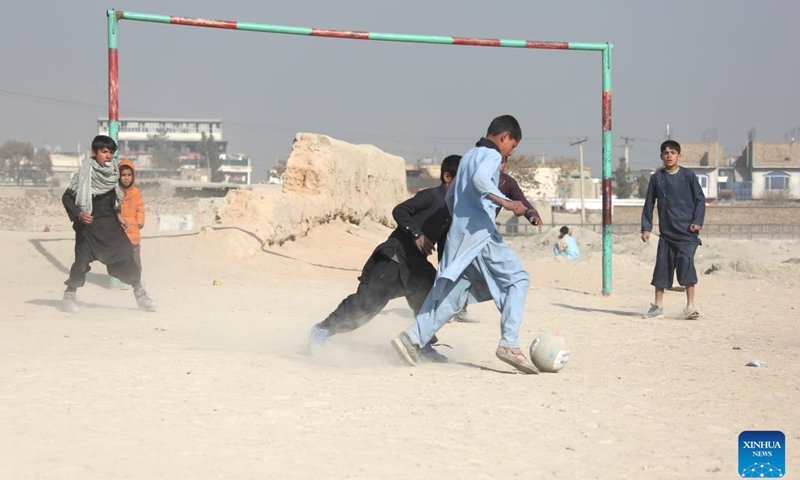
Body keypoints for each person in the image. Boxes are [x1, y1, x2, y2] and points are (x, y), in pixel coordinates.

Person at [391, 115, 539, 374]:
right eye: (512, 146)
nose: (510, 152)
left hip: (461, 236)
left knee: (455, 296)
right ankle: (510, 344)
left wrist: (459, 222)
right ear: (505, 137)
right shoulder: (492, 157)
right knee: (518, 279)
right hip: (481, 235)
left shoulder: (470, 155)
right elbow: (482, 182)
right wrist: (505, 203)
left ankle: (411, 338)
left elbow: (451, 197)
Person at [307, 155, 463, 362]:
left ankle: (420, 343)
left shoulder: (452, 209)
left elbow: (443, 242)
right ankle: (322, 330)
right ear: (447, 177)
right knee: (366, 305)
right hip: (395, 256)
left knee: (429, 298)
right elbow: (400, 211)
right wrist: (416, 233)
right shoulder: (430, 196)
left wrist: (446, 269)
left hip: (416, 265)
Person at [61, 135, 157, 313]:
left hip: (111, 227)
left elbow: (113, 201)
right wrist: (79, 213)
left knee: (126, 258)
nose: (108, 156)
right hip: (88, 228)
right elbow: (67, 197)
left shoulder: (113, 174)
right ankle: (69, 296)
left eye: (111, 152)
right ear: (94, 152)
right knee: (81, 264)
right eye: (104, 152)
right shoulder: (84, 175)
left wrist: (118, 215)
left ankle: (141, 295)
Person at [452, 154, 543, 323]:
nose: (497, 165)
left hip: (485, 235)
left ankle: (457, 306)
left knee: (487, 276)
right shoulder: (476, 178)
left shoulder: (506, 182)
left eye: (501, 162)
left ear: (505, 164)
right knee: (455, 272)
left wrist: (531, 213)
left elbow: (520, 199)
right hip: (462, 232)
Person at [640, 140, 705, 320]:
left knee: (686, 266)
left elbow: (700, 200)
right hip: (667, 234)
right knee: (662, 269)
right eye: (666, 152)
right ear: (661, 156)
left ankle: (690, 307)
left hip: (686, 233)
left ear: (679, 155)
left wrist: (697, 222)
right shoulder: (657, 179)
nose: (669, 155)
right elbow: (649, 204)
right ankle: (658, 307)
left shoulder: (688, 176)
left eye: (673, 152)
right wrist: (646, 227)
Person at [109, 159, 146, 288]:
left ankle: (137, 282)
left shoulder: (136, 193)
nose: (126, 178)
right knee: (121, 260)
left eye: (129, 175)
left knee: (136, 261)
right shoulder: (115, 192)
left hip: (133, 232)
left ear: (133, 176)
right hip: (120, 232)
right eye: (123, 175)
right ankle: (122, 281)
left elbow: (140, 208)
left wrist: (140, 221)